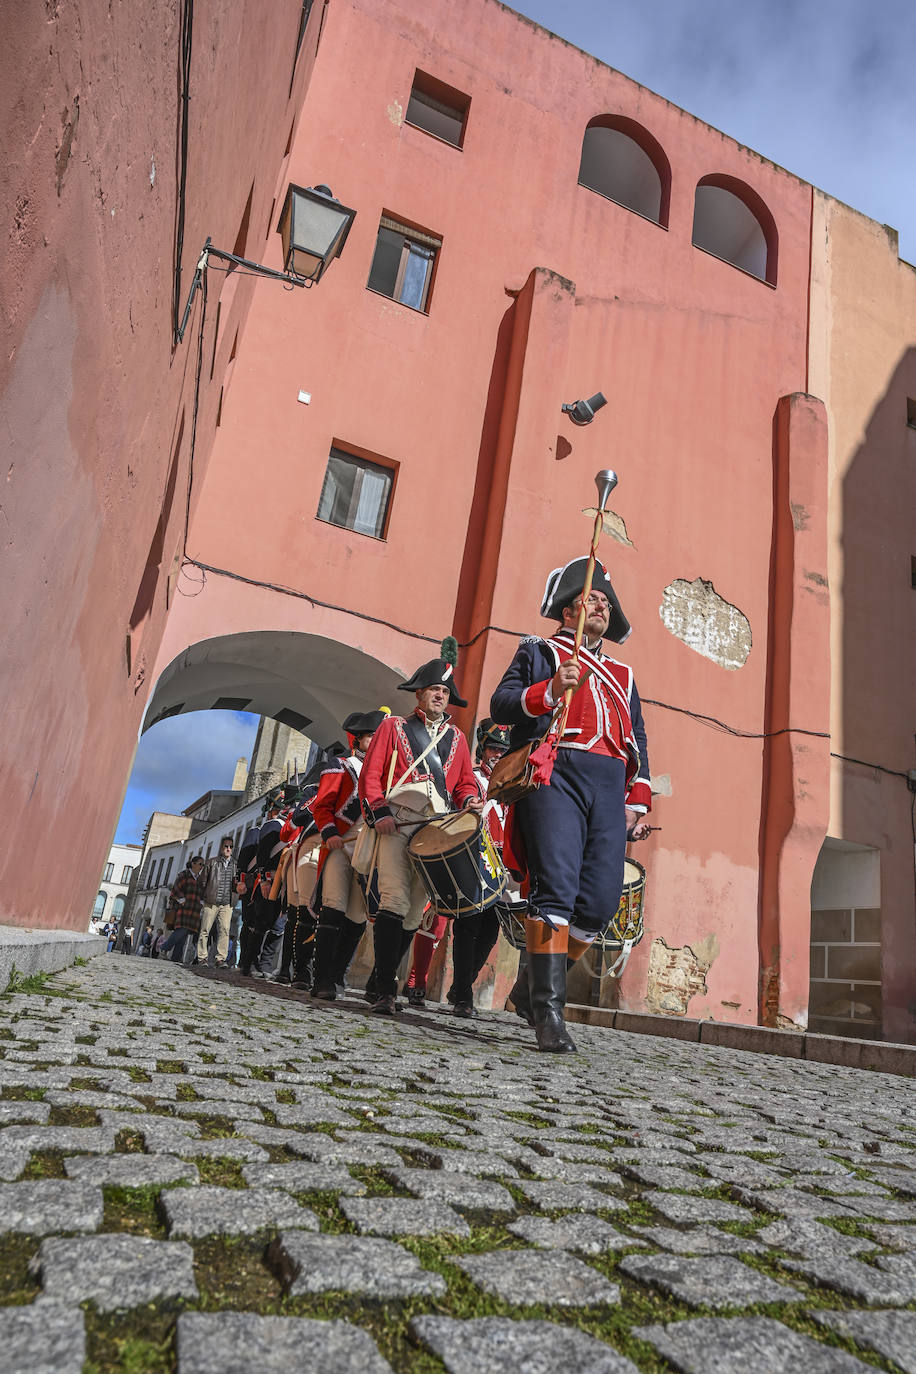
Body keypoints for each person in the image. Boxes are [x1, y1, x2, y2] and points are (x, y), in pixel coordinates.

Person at [490, 558, 652, 1054]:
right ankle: (549, 1013)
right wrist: (549, 690)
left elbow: (638, 738)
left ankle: (528, 988)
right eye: (591, 599)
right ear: (567, 610)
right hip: (554, 771)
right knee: (555, 889)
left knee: (600, 904)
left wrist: (638, 798)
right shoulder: (539, 651)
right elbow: (502, 704)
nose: (600, 606)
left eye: (605, 602)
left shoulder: (623, 674)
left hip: (607, 784)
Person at [358, 657, 481, 1016]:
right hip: (396, 823)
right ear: (420, 693)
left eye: (445, 691)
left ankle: (378, 982)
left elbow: (463, 783)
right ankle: (385, 991)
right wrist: (378, 811)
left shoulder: (457, 738)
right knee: (394, 900)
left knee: (414, 913)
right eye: (434, 690)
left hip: (434, 832)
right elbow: (372, 773)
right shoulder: (394, 727)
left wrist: (470, 799)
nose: (440, 696)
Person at [310, 709, 389, 1001]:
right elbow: (323, 806)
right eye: (371, 736)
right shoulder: (341, 766)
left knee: (357, 917)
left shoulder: (386, 772)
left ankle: (337, 975)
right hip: (341, 846)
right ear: (357, 739)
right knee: (333, 908)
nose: (376, 741)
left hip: (370, 850)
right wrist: (330, 834)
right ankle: (321, 980)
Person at [445, 719, 512, 1018]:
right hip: (474, 858)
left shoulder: (513, 783)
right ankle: (463, 994)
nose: (498, 753)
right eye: (493, 748)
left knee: (490, 932)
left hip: (502, 863)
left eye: (503, 749)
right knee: (467, 927)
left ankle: (461, 987)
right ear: (483, 749)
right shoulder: (472, 778)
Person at [198, 836, 235, 967]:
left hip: (227, 903)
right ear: (221, 847)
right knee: (205, 929)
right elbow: (202, 881)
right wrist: (204, 897)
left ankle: (220, 959)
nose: (228, 849)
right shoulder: (211, 862)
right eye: (226, 846)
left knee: (225, 930)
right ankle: (202, 957)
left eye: (231, 847)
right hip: (211, 901)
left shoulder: (235, 865)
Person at [160, 855, 205, 964]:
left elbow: (201, 893)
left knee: (184, 934)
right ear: (193, 864)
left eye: (203, 865)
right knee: (182, 930)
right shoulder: (184, 875)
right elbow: (175, 889)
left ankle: (175, 957)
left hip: (194, 910)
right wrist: (182, 899)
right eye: (200, 864)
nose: (201, 867)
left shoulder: (199, 879)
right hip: (183, 909)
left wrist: (201, 902)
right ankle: (164, 948)